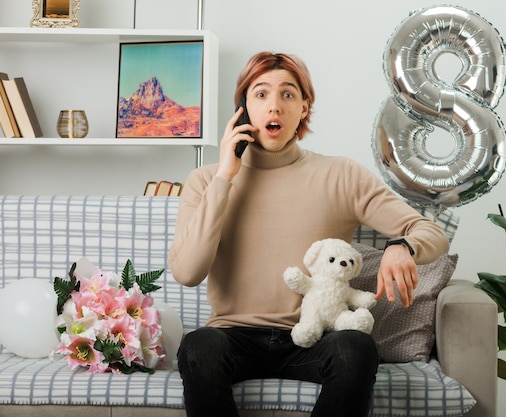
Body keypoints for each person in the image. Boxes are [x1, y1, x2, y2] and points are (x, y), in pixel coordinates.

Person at [167, 51, 449, 417]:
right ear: (242, 108)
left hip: (316, 334)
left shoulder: (342, 175)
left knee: (357, 348)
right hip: (233, 337)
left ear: (304, 107)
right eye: (261, 94)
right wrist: (225, 177)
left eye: (287, 94)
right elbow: (187, 273)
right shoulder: (206, 181)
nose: (275, 107)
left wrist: (402, 246)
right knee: (197, 346)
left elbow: (429, 231)